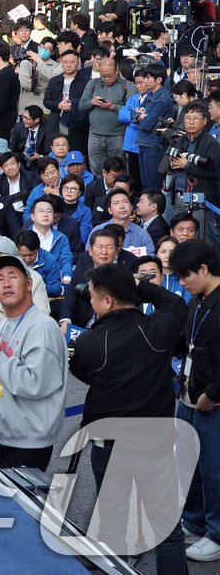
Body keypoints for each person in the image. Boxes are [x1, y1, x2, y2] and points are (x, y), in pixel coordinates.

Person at [68, 262, 188, 574]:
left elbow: (80, 371)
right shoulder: (158, 329)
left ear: (106, 301)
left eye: (93, 296)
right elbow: (174, 302)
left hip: (109, 446)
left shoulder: (89, 343)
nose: (90, 301)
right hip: (156, 443)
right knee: (168, 531)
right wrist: (139, 286)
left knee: (112, 525)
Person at [0, 253, 68, 470]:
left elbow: (35, 384)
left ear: (28, 284)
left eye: (13, 276)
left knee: (18, 502)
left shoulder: (43, 327)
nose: (6, 283)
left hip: (26, 440)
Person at [170, 240, 220, 561]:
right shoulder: (197, 301)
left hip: (211, 400)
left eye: (185, 276)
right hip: (187, 393)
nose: (182, 283)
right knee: (189, 464)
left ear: (203, 269)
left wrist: (214, 393)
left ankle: (216, 533)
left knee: (214, 470)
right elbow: (187, 344)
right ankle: (194, 519)